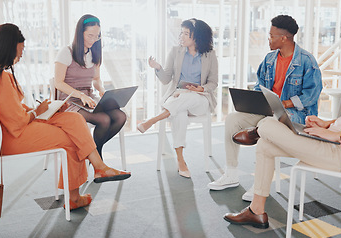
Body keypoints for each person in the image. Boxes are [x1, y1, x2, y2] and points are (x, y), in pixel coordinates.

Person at [224, 10, 341, 229]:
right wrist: (327, 123)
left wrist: (336, 134)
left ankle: (256, 132)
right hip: (333, 142)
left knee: (268, 124)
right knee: (266, 147)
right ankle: (256, 212)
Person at [0, 23, 131, 211]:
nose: (21, 55)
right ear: (7, 47)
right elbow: (17, 122)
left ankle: (99, 166)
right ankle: (76, 194)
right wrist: (37, 112)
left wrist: (45, 109)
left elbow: (11, 110)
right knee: (73, 139)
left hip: (11, 130)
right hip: (13, 137)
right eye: (20, 51)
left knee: (74, 120)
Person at [208, 15, 322, 201]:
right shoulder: (269, 59)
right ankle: (231, 174)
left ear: (284, 38)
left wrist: (283, 104)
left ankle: (260, 182)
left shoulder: (307, 61)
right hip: (269, 111)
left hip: (297, 115)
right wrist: (254, 100)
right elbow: (259, 86)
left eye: (271, 35)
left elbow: (311, 95)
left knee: (268, 124)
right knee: (232, 119)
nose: (268, 39)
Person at [137, 18, 218, 178]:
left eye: (186, 33)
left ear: (197, 36)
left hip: (200, 99)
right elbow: (166, 79)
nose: (181, 36)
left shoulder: (210, 55)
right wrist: (158, 68)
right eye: (181, 32)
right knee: (179, 112)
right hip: (177, 96)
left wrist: (201, 88)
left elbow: (213, 82)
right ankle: (181, 160)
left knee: (187, 98)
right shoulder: (175, 51)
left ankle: (153, 120)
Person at [54, 14, 126, 160]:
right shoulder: (66, 52)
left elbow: (97, 79)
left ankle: (91, 150)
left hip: (89, 98)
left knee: (120, 116)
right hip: (68, 101)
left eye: (97, 36)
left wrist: (103, 92)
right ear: (80, 34)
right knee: (104, 119)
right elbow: (58, 83)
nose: (93, 40)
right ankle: (97, 158)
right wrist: (80, 95)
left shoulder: (95, 53)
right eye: (90, 36)